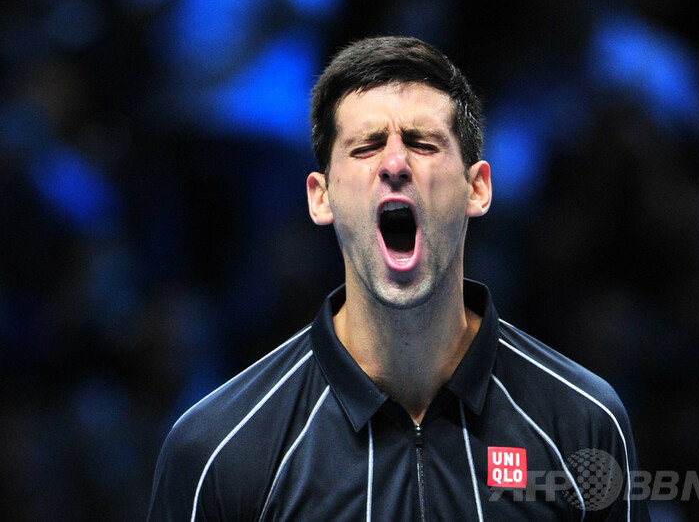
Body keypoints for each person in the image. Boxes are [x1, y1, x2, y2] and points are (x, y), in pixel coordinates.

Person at [147, 35, 650, 521]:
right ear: (321, 197)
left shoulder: (582, 422)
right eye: (365, 147)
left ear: (477, 188)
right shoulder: (218, 449)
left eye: (422, 143)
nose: (394, 163)